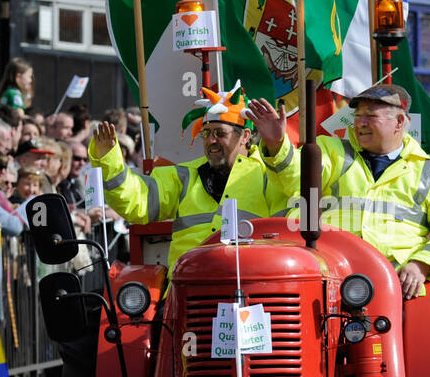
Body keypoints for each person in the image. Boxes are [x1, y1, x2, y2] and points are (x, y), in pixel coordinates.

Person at [249, 84, 430, 300]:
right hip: (329, 275)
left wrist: (422, 264)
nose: (360, 123)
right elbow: (296, 181)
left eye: (370, 116)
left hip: (396, 286)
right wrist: (278, 143)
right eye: (357, 116)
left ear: (399, 122)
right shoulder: (331, 150)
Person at [88, 93, 286, 276]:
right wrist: (109, 159)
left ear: (244, 136)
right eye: (206, 133)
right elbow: (135, 201)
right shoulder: (183, 175)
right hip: (188, 287)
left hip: (251, 284)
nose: (211, 140)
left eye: (219, 133)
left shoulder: (269, 174)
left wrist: (277, 146)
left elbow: (293, 193)